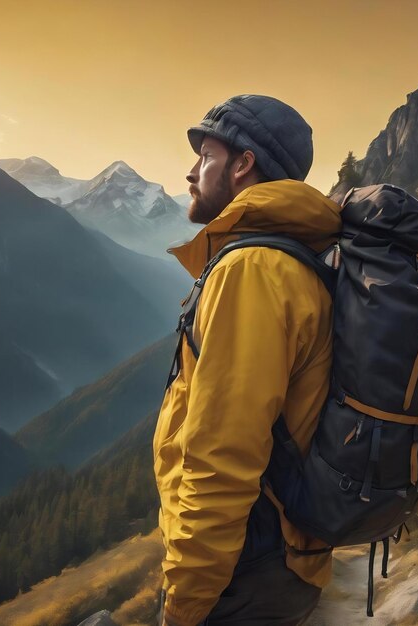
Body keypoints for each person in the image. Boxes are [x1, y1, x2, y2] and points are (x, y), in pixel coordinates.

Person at [153, 94, 341, 626]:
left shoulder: (252, 271)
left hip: (242, 574)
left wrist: (185, 602)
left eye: (205, 157)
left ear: (243, 164)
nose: (191, 172)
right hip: (274, 563)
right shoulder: (292, 261)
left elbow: (223, 458)